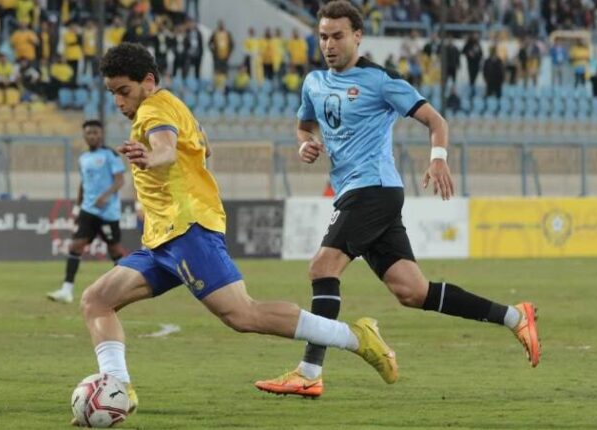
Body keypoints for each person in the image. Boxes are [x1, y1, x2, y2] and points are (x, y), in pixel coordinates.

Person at [73, 42, 400, 420]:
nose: (118, 101)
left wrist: (152, 157)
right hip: (163, 238)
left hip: (187, 230)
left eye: (123, 91)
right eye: (112, 93)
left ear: (148, 81)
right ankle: (118, 388)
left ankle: (357, 337)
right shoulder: (173, 105)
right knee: (96, 301)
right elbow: (204, 148)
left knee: (243, 315)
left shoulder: (154, 110)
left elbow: (165, 149)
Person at [254, 1, 540, 399]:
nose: (329, 45)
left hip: (373, 189)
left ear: (357, 36)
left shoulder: (381, 80)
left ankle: (309, 371)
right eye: (323, 37)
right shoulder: (314, 83)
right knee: (412, 292)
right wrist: (306, 144)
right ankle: (514, 316)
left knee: (322, 268)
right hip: (360, 193)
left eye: (337, 36)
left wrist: (438, 159)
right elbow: (304, 127)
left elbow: (436, 121)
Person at [47, 120, 126, 304]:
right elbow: (83, 184)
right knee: (75, 246)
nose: (92, 136)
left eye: (95, 132)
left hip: (108, 212)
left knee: (114, 250)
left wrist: (105, 196)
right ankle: (66, 290)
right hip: (88, 210)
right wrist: (77, 207)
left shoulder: (110, 155)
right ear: (84, 136)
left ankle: (123, 289)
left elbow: (120, 180)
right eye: (88, 133)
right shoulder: (83, 158)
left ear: (101, 134)